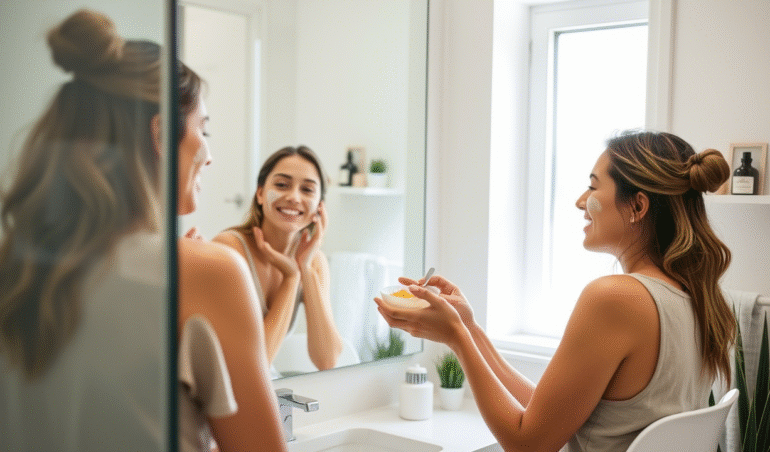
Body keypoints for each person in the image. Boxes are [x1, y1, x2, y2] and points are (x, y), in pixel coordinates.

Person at [0, 9, 287, 452]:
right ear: (161, 134)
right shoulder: (209, 272)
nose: (208, 155)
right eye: (202, 129)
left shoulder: (15, 264)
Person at [376, 130, 736, 452]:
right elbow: (549, 417)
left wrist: (456, 338)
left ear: (638, 206)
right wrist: (469, 328)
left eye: (594, 186)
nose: (581, 201)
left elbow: (527, 444)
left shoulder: (617, 298)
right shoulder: (697, 300)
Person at [213, 146, 344, 374]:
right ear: (261, 193)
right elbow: (253, 365)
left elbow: (327, 359)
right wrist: (292, 278)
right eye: (282, 185)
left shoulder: (314, 262)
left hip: (261, 385)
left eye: (307, 189)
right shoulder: (229, 250)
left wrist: (305, 270)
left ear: (319, 207)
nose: (293, 197)